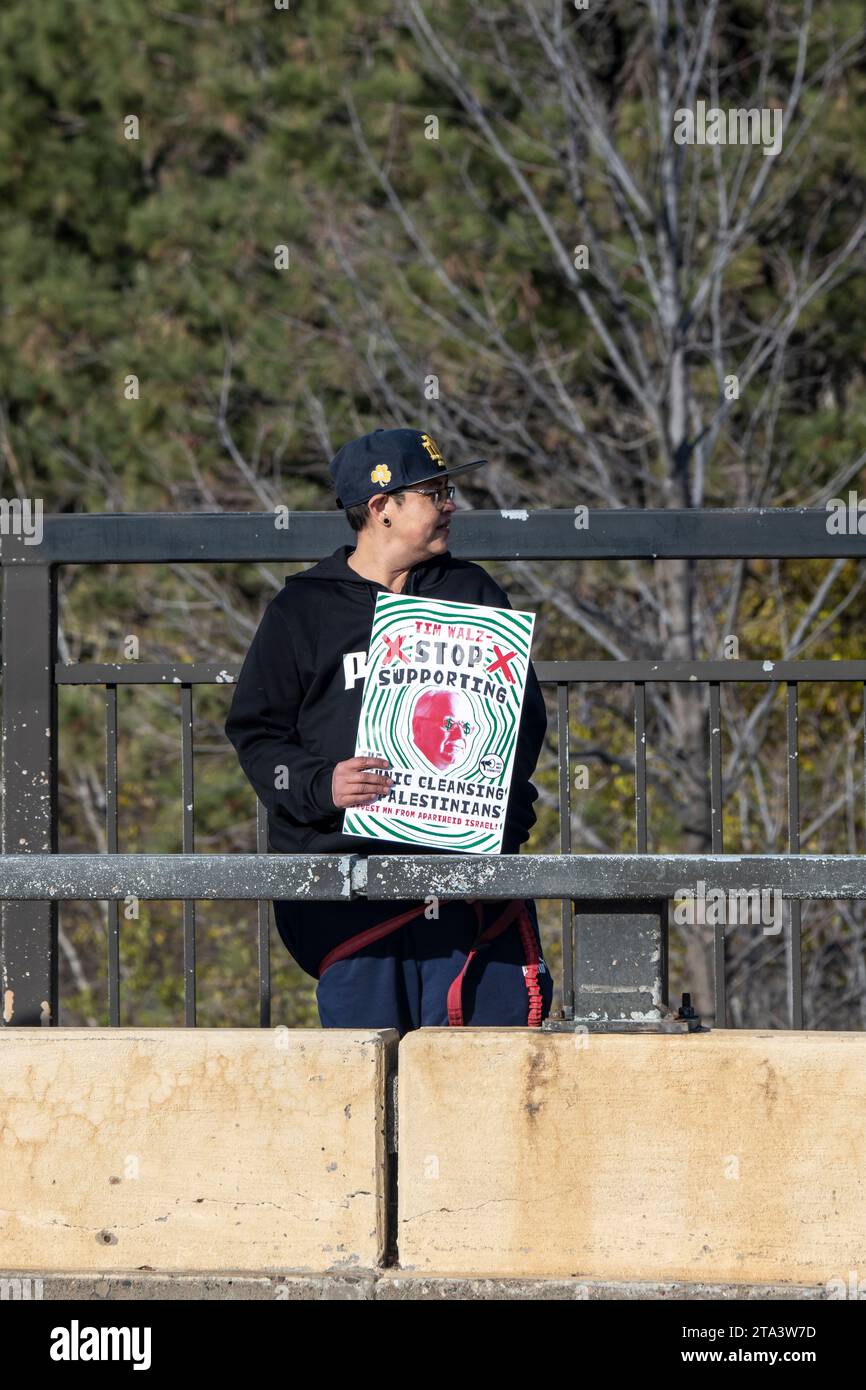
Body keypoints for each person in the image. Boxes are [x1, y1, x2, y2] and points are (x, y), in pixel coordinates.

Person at [224, 426, 553, 1036]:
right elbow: (256, 732)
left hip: (461, 873)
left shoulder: (474, 591)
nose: (450, 504)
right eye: (434, 492)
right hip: (346, 883)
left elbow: (524, 720)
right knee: (368, 1068)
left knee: (483, 1063)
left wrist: (492, 802)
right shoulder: (303, 608)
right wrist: (322, 786)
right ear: (381, 509)